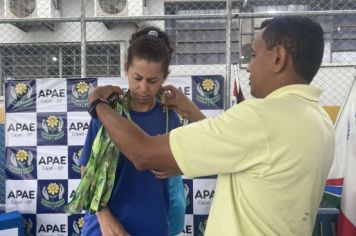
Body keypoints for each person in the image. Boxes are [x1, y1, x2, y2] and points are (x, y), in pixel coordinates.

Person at [87, 16, 335, 235]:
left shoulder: (261, 118)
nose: (248, 64)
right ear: (126, 69)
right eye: (137, 78)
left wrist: (96, 103)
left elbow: (143, 153)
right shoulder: (320, 120)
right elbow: (230, 147)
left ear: (279, 58)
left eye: (254, 54)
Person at [79, 26, 185, 236]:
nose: (143, 88)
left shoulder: (168, 118)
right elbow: (86, 171)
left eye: (152, 81)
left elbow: (188, 160)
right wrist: (104, 217)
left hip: (153, 226)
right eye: (137, 78)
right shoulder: (107, 114)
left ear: (164, 77)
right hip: (103, 228)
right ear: (126, 69)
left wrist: (177, 168)